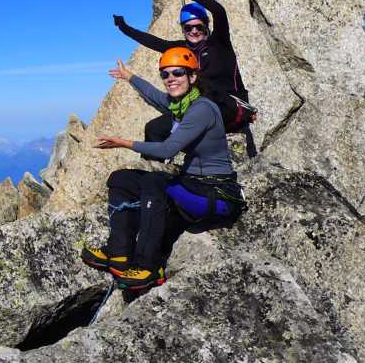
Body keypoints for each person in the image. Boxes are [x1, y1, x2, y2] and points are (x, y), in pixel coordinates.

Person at [80, 47, 245, 290]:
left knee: (155, 182)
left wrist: (125, 143)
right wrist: (130, 77)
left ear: (192, 76)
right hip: (193, 186)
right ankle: (119, 251)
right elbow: (156, 97)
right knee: (121, 179)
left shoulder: (202, 109)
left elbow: (168, 149)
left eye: (178, 73)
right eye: (165, 75)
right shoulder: (181, 105)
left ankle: (148, 266)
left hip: (215, 195)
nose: (171, 79)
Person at [113, 0, 255, 146]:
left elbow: (219, 11)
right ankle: (154, 168)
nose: (194, 31)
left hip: (230, 107)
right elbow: (153, 42)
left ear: (206, 26)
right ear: (183, 29)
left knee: (203, 100)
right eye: (188, 28)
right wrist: (124, 27)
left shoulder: (219, 43)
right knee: (154, 129)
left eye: (198, 27)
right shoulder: (182, 50)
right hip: (201, 109)